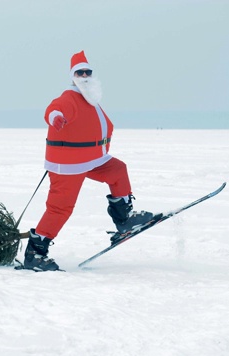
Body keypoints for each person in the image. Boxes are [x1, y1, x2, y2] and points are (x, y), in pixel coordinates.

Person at [23, 51, 153, 271]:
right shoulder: (70, 98)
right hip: (68, 165)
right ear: (72, 76)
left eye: (88, 71)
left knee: (117, 170)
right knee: (60, 209)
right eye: (79, 72)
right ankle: (35, 254)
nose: (84, 75)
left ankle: (125, 220)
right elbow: (54, 109)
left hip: (92, 160)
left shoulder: (89, 99)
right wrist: (55, 117)